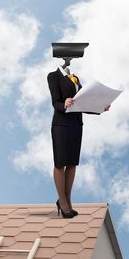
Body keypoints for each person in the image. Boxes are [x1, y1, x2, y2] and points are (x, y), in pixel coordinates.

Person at [47, 64, 110, 218]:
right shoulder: (53, 76)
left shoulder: (75, 79)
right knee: (60, 163)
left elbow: (82, 104)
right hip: (61, 125)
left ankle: (68, 200)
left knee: (72, 163)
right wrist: (64, 104)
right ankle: (61, 201)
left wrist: (100, 108)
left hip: (76, 125)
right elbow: (55, 102)